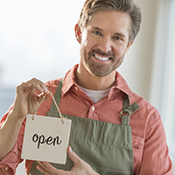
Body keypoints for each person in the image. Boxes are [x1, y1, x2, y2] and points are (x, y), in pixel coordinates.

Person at [0, 0, 173, 174]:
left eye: (117, 38)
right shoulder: (38, 100)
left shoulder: (147, 120)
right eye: (97, 32)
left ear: (128, 45)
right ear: (78, 32)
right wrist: (16, 118)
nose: (105, 47)